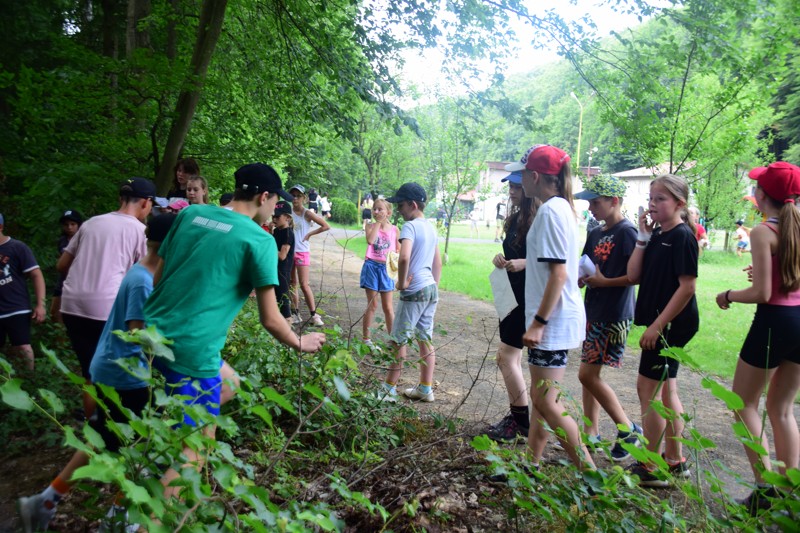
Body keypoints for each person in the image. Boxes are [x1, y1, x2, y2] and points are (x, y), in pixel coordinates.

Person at [143, 163, 326, 502]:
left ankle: (155, 460)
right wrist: (300, 341)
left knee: (229, 384)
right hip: (190, 349)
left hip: (149, 332)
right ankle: (146, 519)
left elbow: (158, 277)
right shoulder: (258, 239)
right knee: (196, 452)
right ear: (264, 196)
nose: (276, 209)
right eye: (275, 202)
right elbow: (271, 319)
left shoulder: (190, 216)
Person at [16, 214, 178, 533]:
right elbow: (138, 334)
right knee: (140, 448)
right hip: (126, 374)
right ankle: (116, 519)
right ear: (172, 245)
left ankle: (45, 502)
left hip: (113, 369)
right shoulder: (144, 281)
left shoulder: (143, 271)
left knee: (104, 437)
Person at [715, 161, 800, 515]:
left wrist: (730, 294)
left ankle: (765, 488)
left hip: (773, 323)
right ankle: (790, 494)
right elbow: (786, 278)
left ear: (761, 195)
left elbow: (764, 293)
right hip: (799, 321)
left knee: (742, 403)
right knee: (781, 409)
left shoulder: (763, 231)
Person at [507, 144, 594, 471]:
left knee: (546, 400)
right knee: (543, 397)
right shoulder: (558, 208)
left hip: (553, 322)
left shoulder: (551, 211)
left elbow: (559, 274)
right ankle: (531, 464)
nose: (521, 180)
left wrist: (539, 322)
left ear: (535, 176)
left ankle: (591, 475)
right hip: (555, 319)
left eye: (523, 173)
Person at [58, 177, 154, 416]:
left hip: (72, 304)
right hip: (105, 307)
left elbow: (62, 264)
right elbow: (148, 271)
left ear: (121, 198)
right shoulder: (139, 230)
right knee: (111, 370)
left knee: (89, 371)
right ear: (145, 203)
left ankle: (92, 424)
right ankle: (105, 427)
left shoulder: (91, 223)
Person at [626, 174, 698, 487]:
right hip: (661, 322)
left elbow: (687, 287)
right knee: (666, 391)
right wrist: (642, 237)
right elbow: (633, 275)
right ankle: (674, 460)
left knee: (648, 392)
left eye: (661, 199)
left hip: (671, 324)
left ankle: (650, 467)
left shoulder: (682, 236)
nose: (653, 204)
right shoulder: (657, 233)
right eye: (651, 198)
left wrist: (657, 326)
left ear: (679, 204)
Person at [574, 175, 642, 461]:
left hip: (613, 314)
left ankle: (629, 429)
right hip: (594, 310)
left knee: (587, 374)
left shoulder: (628, 232)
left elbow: (633, 277)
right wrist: (583, 277)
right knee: (590, 374)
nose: (591, 207)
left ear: (615, 201)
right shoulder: (596, 231)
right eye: (589, 202)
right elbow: (586, 262)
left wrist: (603, 282)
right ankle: (591, 433)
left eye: (596, 201)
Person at [377, 182, 442, 402]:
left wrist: (402, 283)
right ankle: (425, 388)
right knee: (425, 339)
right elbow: (438, 262)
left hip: (414, 290)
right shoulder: (432, 228)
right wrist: (434, 285)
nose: (399, 210)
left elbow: (404, 257)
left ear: (413, 205)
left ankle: (388, 389)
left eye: (402, 205)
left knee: (399, 341)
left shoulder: (410, 227)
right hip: (430, 288)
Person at [484, 171, 535, 442]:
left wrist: (525, 263)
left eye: (517, 186)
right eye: (511, 186)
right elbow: (514, 252)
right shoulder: (514, 219)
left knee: (507, 356)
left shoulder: (540, 219)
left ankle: (521, 420)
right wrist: (501, 259)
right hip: (510, 293)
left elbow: (554, 262)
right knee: (506, 356)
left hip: (529, 296)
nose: (512, 191)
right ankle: (520, 418)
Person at [0, 213, 46, 371]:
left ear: (1, 227)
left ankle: (30, 381)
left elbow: (36, 274)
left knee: (22, 347)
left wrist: (41, 304)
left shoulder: (17, 247)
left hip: (16, 307)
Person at [288, 184, 330, 326]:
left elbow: (325, 226)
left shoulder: (307, 213)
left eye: (298, 196)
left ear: (304, 198)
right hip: (289, 251)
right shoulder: (288, 212)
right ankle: (295, 313)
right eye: (293, 195)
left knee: (304, 284)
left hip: (302, 251)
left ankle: (314, 314)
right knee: (292, 283)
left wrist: (310, 234)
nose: (295, 198)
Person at [360, 198, 399, 350]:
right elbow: (370, 241)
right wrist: (377, 223)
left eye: (380, 209)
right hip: (371, 266)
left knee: (388, 307)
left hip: (386, 269)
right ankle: (366, 338)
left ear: (388, 212)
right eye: (374, 209)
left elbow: (398, 250)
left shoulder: (395, 230)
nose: (376, 212)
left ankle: (393, 338)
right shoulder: (370, 226)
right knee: (372, 304)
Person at [51, 209, 83, 323]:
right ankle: (59, 336)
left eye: (73, 224)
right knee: (55, 313)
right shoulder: (62, 241)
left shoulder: (84, 240)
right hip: (63, 278)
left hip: (79, 279)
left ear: (79, 225)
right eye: (66, 225)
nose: (69, 227)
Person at [272, 201, 295, 323]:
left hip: (283, 271)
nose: (274, 219)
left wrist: (268, 247)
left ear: (287, 217)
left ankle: (288, 325)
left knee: (283, 300)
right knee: (274, 300)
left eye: (278, 216)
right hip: (274, 269)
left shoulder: (288, 233)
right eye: (273, 216)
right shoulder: (276, 231)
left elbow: (282, 256)